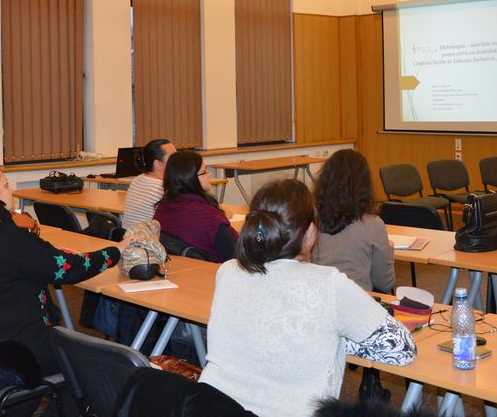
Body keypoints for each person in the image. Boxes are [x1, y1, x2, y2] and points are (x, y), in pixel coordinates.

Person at [200, 179, 415, 417]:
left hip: (210, 407)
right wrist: (336, 336)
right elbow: (402, 349)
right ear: (311, 233)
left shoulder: (228, 270)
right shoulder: (329, 283)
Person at [0, 163, 125, 375]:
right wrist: (116, 252)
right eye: (6, 185)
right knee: (106, 363)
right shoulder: (7, 239)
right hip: (21, 353)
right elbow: (69, 267)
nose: (12, 190)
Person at [312, 149, 395, 295]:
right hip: (356, 301)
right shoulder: (373, 225)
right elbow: (385, 283)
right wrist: (389, 250)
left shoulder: (310, 218)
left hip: (316, 298)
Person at [153, 150, 237, 262]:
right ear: (189, 178)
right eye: (204, 171)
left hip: (181, 269)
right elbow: (236, 255)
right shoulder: (208, 216)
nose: (209, 174)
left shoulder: (162, 208)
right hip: (214, 269)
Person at [121, 138, 175, 229]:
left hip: (129, 235)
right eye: (174, 157)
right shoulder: (162, 187)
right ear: (158, 164)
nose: (178, 161)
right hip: (148, 237)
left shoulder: (138, 179)